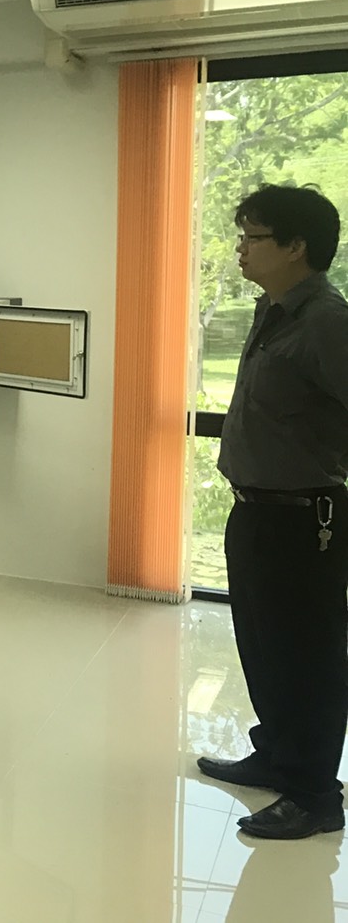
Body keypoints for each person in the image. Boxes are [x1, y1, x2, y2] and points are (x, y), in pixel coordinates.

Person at [201, 184, 348, 839]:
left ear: (295, 247)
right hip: (255, 509)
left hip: (305, 520)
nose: (241, 249)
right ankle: (279, 756)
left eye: (253, 237)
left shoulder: (327, 322)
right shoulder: (274, 310)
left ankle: (315, 795)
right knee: (263, 647)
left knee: (307, 657)